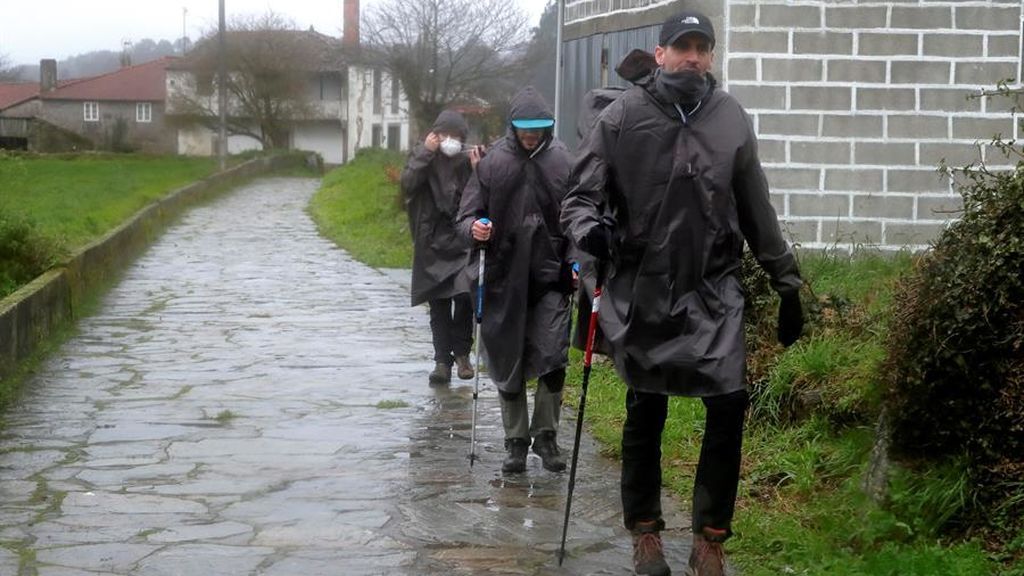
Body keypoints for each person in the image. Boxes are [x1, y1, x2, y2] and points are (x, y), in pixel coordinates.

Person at [561, 11, 804, 576]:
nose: (693, 56)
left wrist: (786, 283)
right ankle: (645, 532)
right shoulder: (623, 115)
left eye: (703, 47)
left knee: (729, 405)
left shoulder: (731, 119)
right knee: (645, 408)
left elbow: (756, 208)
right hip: (643, 288)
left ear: (712, 56)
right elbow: (578, 196)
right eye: (682, 46)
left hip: (714, 291)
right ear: (661, 52)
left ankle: (710, 536)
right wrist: (589, 229)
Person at [457, 86, 574, 474]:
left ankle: (546, 435)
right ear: (512, 127)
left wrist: (576, 262)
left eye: (538, 129)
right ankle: (515, 442)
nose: (531, 136)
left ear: (548, 128)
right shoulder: (492, 164)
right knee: (508, 360)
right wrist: (476, 227)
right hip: (502, 280)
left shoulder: (563, 162)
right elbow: (465, 218)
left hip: (551, 279)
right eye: (525, 129)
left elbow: (579, 219)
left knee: (553, 357)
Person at [402, 109, 484, 385]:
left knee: (464, 297)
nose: (450, 140)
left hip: (461, 239)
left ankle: (462, 354)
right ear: (435, 135)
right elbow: (408, 184)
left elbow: (484, 193)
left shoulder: (468, 159)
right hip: (431, 242)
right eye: (444, 135)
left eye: (456, 136)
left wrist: (479, 169)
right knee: (438, 304)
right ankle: (441, 361)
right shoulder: (422, 156)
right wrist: (425, 153)